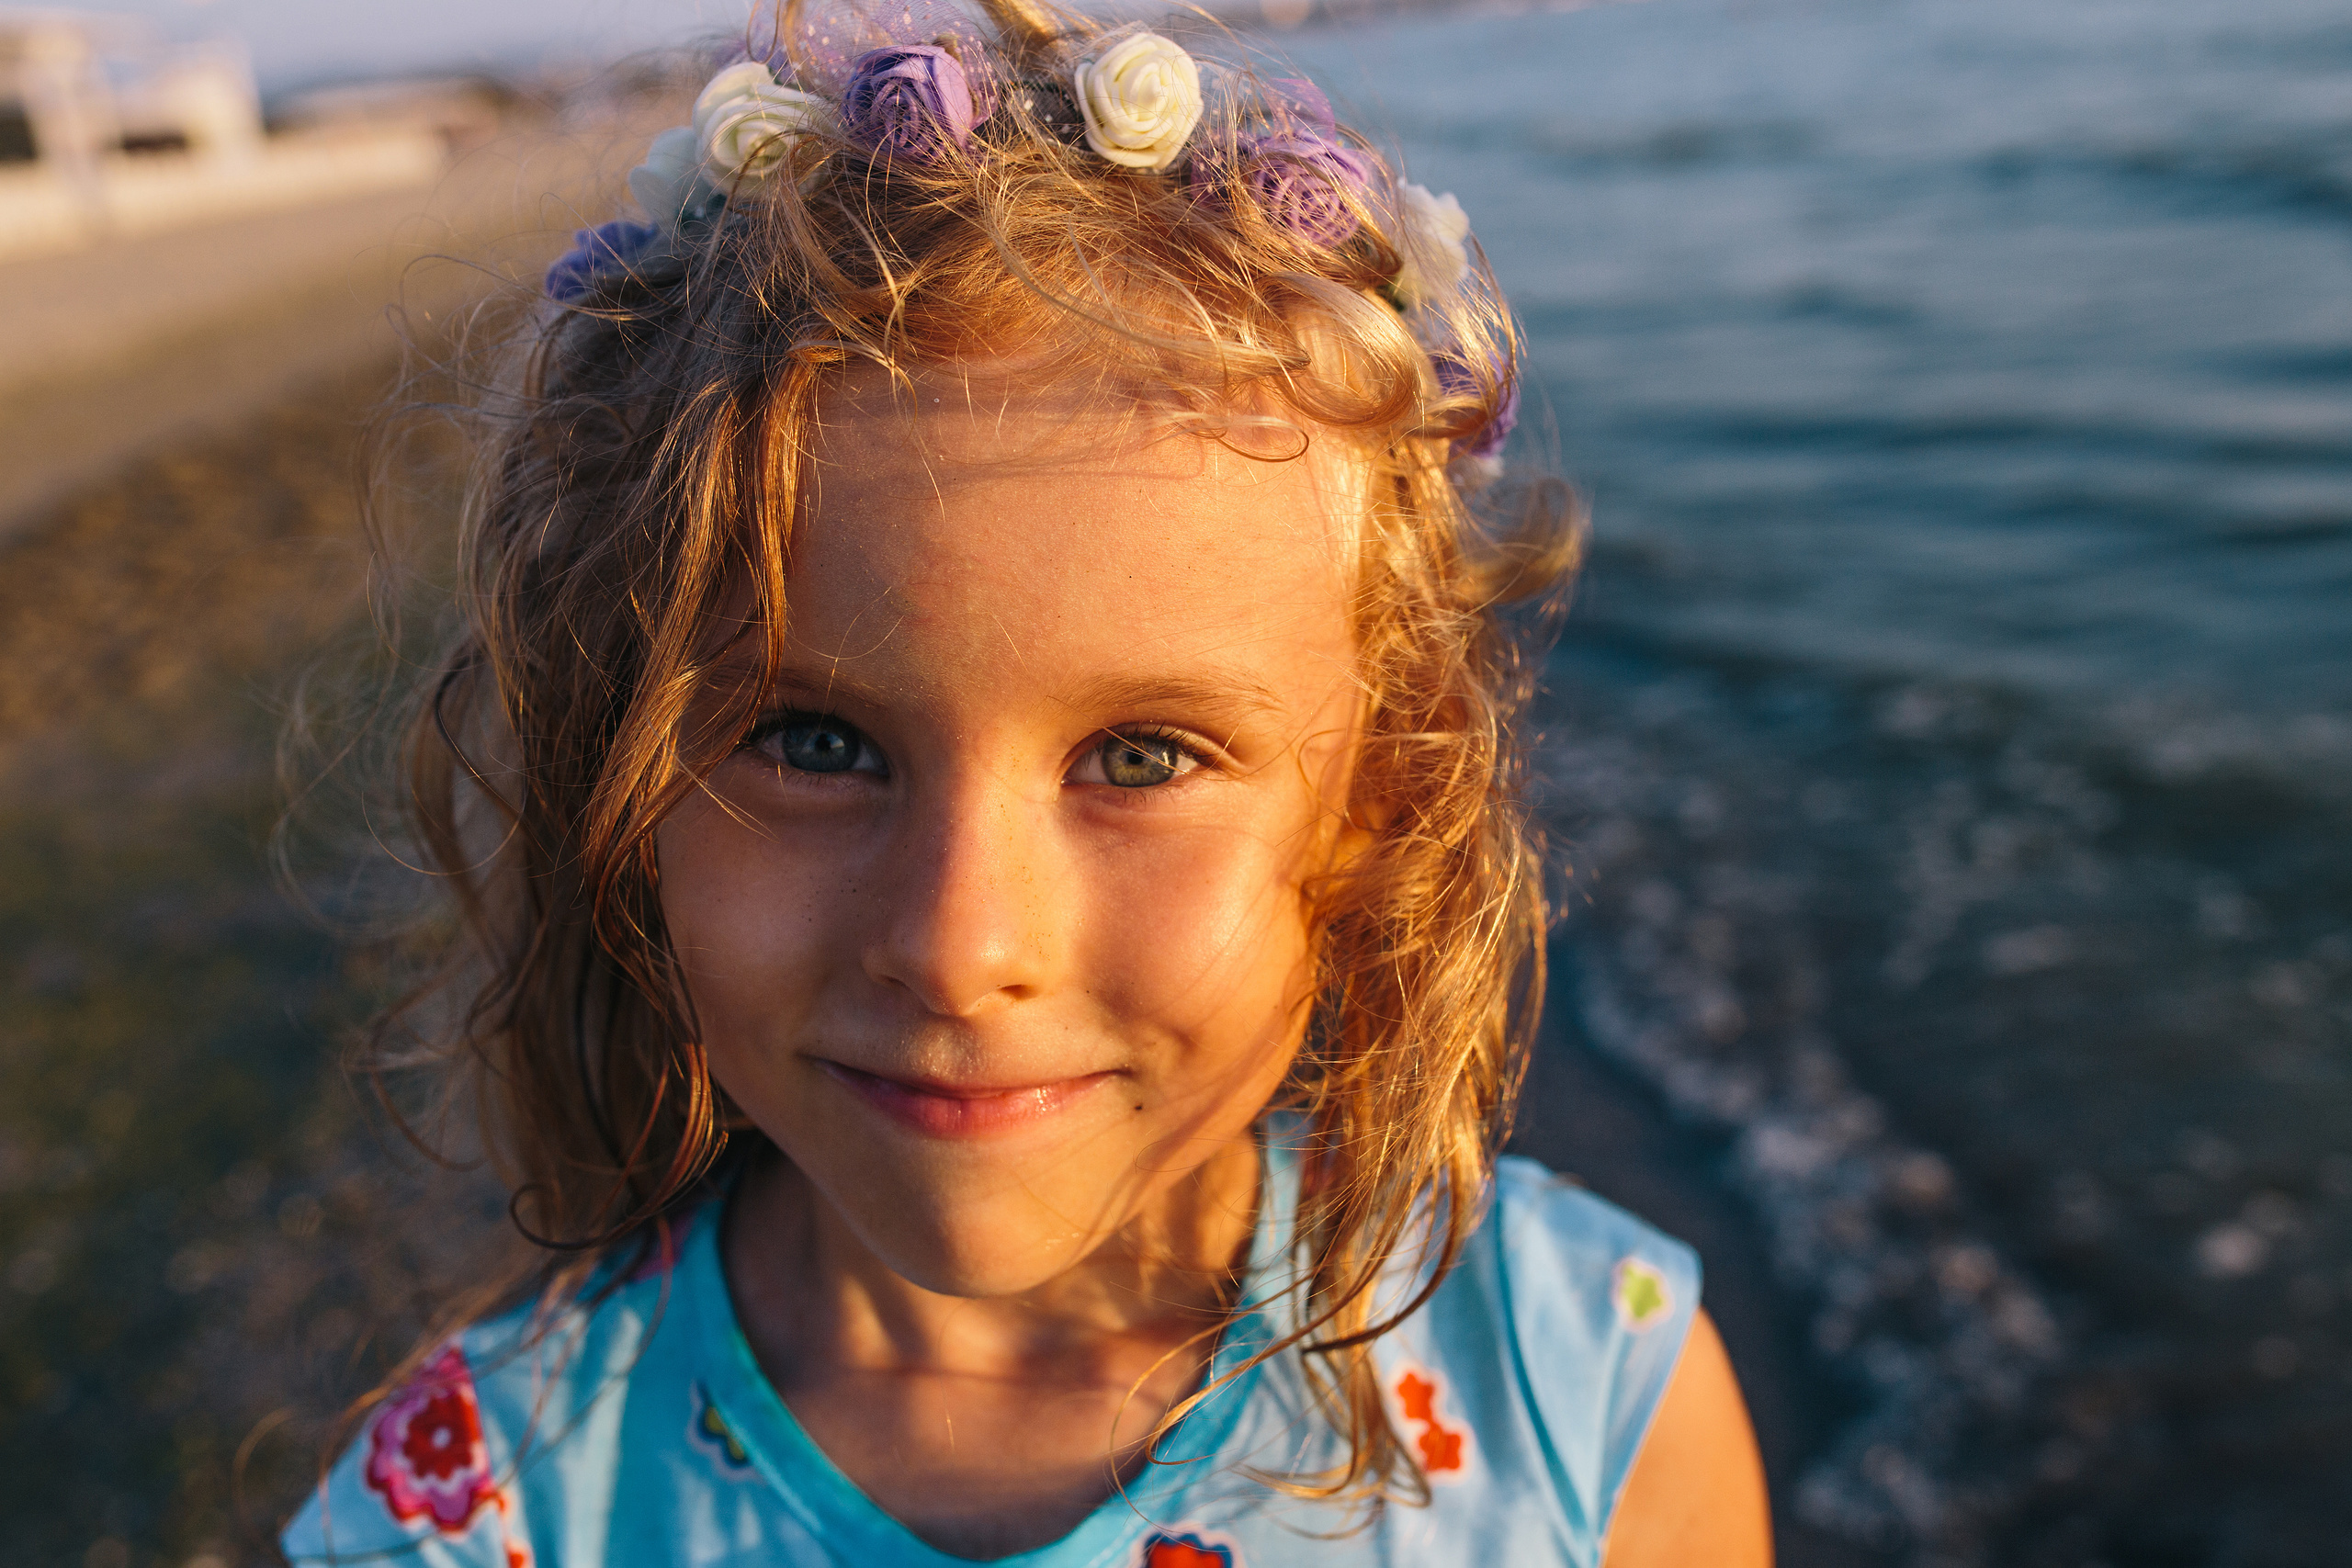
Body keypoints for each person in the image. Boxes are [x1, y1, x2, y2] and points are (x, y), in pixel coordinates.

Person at [284, 1, 1771, 1562]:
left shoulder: (1590, 1397)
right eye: (813, 743)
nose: (957, 943)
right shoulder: (470, 1512)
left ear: (1378, 803)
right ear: (623, 782)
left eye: (1141, 758)